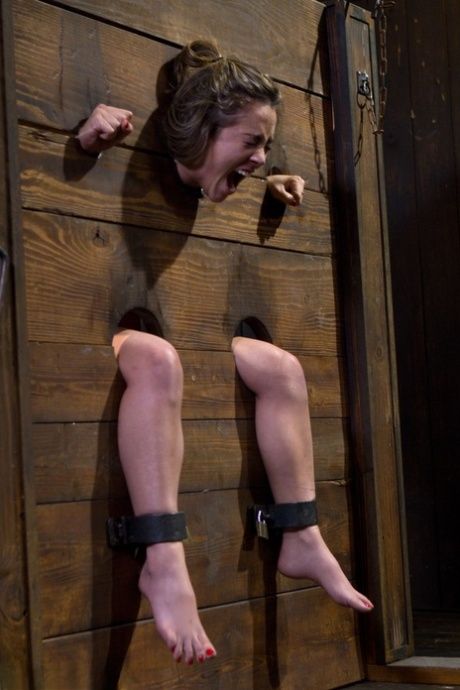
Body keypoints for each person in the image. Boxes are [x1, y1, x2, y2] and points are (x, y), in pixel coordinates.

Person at [77, 40, 373, 666]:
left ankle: (301, 533)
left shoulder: (237, 172)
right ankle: (163, 561)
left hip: (191, 323)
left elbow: (254, 166)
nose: (261, 156)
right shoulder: (125, 152)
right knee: (160, 360)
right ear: (202, 129)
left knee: (283, 369)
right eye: (251, 142)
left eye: (266, 146)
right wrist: (82, 143)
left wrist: (268, 178)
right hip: (92, 322)